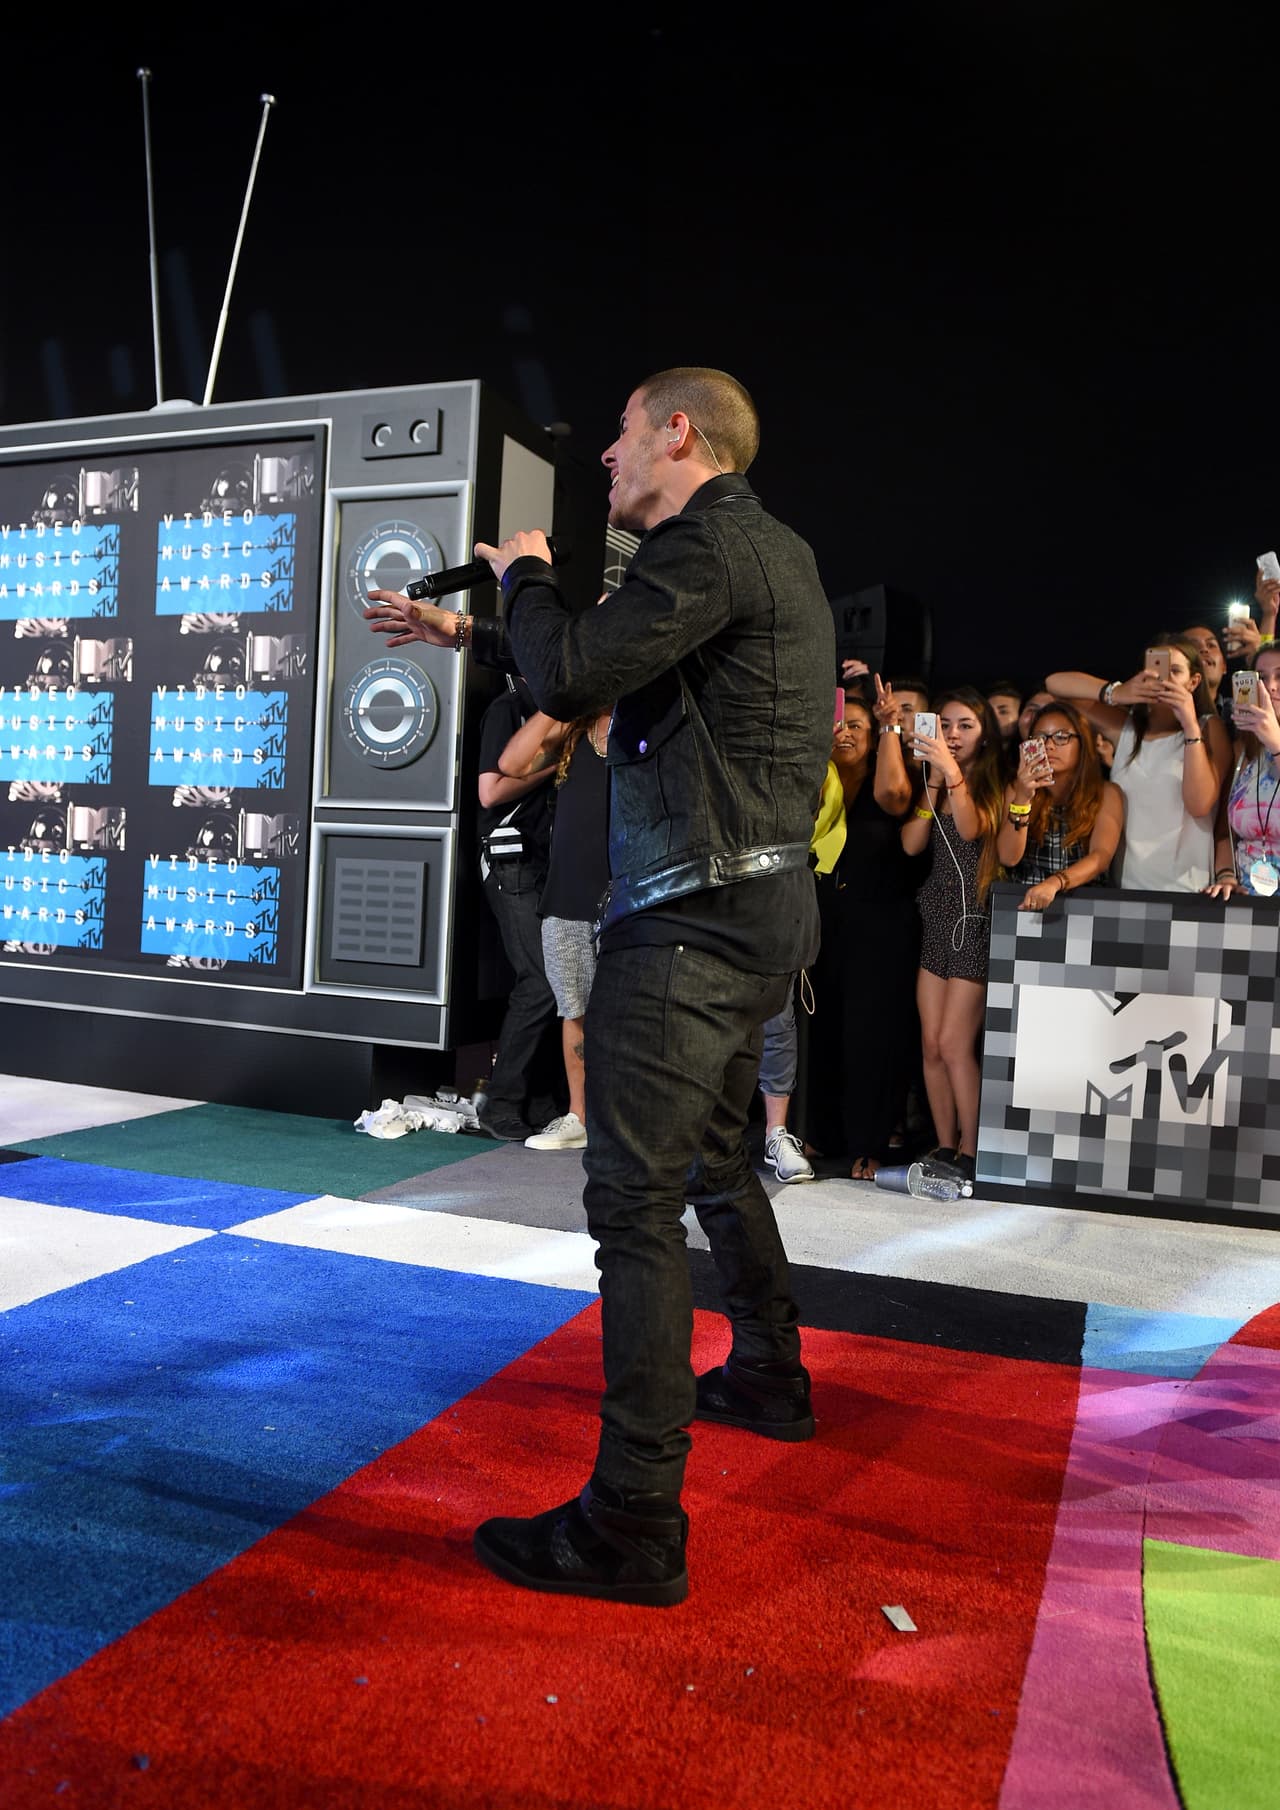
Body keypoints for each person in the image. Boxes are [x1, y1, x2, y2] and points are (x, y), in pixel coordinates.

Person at [370, 367, 835, 1607]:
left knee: (631, 1204)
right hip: (750, 909)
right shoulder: (761, 551)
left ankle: (632, 1519)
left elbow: (575, 671)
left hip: (685, 915)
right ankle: (773, 1374)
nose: (603, 462)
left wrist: (522, 573)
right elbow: (624, 667)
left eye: (621, 436)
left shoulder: (700, 545)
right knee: (719, 1160)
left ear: (675, 431)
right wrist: (472, 628)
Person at [794, 686, 915, 1179]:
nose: (844, 733)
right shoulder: (819, 778)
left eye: (856, 726)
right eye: (838, 724)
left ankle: (870, 1143)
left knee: (870, 1036)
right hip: (822, 920)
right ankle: (820, 1133)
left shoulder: (886, 779)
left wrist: (889, 727)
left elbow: (893, 798)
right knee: (820, 1030)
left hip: (879, 925)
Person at [900, 687, 1006, 1190]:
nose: (952, 734)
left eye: (964, 725)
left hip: (975, 917)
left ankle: (971, 1148)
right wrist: (935, 783)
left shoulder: (993, 783)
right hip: (937, 914)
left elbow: (970, 832)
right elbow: (911, 842)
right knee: (930, 1042)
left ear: (984, 732)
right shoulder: (938, 780)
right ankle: (944, 1143)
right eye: (944, 724)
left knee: (955, 1043)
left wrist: (954, 776)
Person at [497, 698, 613, 1150]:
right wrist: (559, 701)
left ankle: (620, 1121)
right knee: (574, 1008)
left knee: (626, 1014)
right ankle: (578, 1116)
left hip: (625, 897)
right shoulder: (570, 733)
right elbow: (511, 763)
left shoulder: (640, 729)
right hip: (567, 897)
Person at [1046, 634, 1233, 890]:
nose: (1162, 679)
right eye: (1155, 670)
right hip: (1126, 890)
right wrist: (1117, 692)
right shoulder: (1127, 729)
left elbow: (1200, 805)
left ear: (1193, 682)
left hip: (1188, 891)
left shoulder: (1208, 728)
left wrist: (1189, 724)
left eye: (1175, 671)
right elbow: (1055, 684)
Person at [472, 678, 565, 1141]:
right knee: (542, 979)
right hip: (513, 860)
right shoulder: (510, 707)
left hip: (548, 862)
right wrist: (555, 765)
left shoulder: (562, 712)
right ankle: (501, 1099)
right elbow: (489, 791)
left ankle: (538, 1098)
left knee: (559, 981)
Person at [996, 699, 1124, 910]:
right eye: (1040, 737)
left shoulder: (1106, 793)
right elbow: (1008, 857)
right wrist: (1023, 798)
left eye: (1062, 737)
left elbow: (1101, 857)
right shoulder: (1017, 789)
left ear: (1082, 743)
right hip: (1025, 901)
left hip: (1083, 905)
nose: (1049, 745)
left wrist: (1055, 883)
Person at [1205, 644, 1280, 899]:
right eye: (1261, 677)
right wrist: (1226, 875)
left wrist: (1276, 743)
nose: (1270, 686)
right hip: (1245, 899)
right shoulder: (1243, 751)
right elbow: (1224, 831)